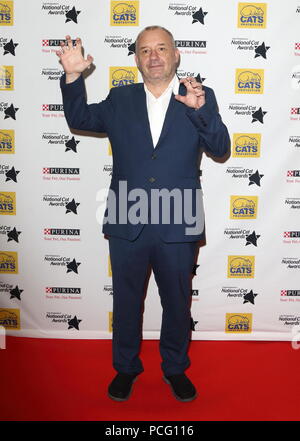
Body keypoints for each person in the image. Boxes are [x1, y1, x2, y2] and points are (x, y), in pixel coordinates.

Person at [57, 26, 230, 402]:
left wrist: (201, 113)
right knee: (126, 301)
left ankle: (174, 368)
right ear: (136, 59)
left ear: (176, 54)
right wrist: (72, 76)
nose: (154, 56)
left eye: (161, 48)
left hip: (178, 215)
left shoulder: (198, 96)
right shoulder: (121, 99)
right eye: (145, 50)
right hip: (126, 217)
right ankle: (125, 368)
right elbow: (80, 119)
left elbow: (220, 147)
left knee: (177, 302)